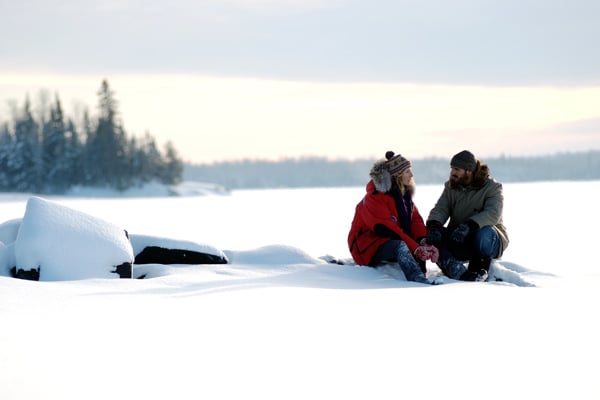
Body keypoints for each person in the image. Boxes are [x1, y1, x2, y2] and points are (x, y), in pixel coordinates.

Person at [348, 151, 440, 284]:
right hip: (367, 245)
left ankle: (459, 274)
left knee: (433, 239)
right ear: (397, 175)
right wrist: (416, 248)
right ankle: (418, 280)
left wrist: (423, 241)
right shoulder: (374, 198)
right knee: (401, 246)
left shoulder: (404, 197)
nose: (412, 175)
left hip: (389, 239)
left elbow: (415, 221)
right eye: (407, 171)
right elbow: (390, 229)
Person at [426, 150, 509, 282]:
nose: (452, 172)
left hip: (488, 238)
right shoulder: (451, 187)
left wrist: (469, 225)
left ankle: (480, 270)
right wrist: (434, 225)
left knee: (484, 234)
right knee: (432, 233)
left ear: (468, 171)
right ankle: (453, 268)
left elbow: (493, 214)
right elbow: (441, 208)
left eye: (456, 169)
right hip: (459, 237)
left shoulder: (492, 187)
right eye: (452, 168)